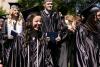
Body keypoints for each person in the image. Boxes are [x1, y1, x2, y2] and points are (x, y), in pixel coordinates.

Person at [40, 0, 67, 67]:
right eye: (48, 4)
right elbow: (39, 28)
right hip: (44, 43)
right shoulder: (40, 14)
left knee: (55, 61)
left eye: (51, 4)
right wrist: (44, 36)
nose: (50, 5)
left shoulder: (56, 14)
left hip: (54, 43)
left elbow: (60, 27)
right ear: (44, 5)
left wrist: (59, 35)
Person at [3, 2, 24, 67]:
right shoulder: (6, 21)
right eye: (15, 10)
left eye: (18, 10)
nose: (17, 11)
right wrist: (8, 36)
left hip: (20, 47)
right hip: (10, 46)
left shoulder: (21, 21)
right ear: (11, 11)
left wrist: (20, 36)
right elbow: (3, 34)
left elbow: (24, 33)